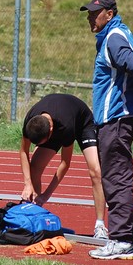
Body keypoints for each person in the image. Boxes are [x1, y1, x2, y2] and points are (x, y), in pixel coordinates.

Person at [80, 0, 133, 260]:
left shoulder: (114, 37)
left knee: (116, 178)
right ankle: (123, 239)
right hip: (120, 117)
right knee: (115, 177)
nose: (90, 18)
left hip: (117, 118)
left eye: (95, 13)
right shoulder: (117, 34)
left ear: (109, 13)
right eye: (89, 13)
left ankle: (121, 240)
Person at [20, 93, 108, 239]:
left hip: (82, 123)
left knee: (96, 172)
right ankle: (34, 214)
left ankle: (100, 225)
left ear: (50, 132)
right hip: (54, 122)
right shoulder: (31, 120)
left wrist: (46, 195)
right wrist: (27, 184)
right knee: (34, 167)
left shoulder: (66, 127)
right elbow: (24, 151)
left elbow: (65, 163)